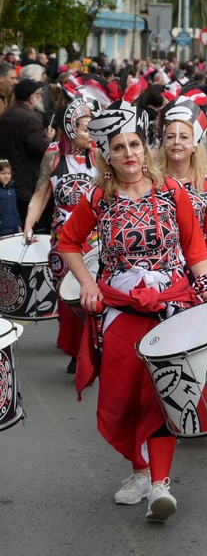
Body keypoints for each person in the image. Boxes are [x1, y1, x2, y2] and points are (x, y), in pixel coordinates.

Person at [57, 82, 207, 523]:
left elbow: (195, 246)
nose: (129, 154)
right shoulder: (97, 199)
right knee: (123, 399)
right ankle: (141, 471)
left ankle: (161, 485)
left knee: (163, 394)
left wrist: (204, 285)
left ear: (145, 147)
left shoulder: (172, 192)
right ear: (106, 155)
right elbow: (68, 243)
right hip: (120, 313)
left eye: (134, 144)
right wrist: (87, 283)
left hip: (169, 307)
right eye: (119, 147)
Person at [23, 76, 104, 371]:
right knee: (69, 296)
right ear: (71, 126)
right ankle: (76, 351)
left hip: (97, 237)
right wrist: (29, 225)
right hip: (64, 237)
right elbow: (40, 194)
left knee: (96, 292)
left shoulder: (101, 155)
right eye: (87, 127)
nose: (92, 133)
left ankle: (93, 347)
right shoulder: (54, 155)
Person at [157, 93, 207, 283]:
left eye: (184, 137)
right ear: (163, 142)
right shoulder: (151, 183)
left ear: (194, 144)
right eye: (170, 136)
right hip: (160, 275)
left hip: (199, 274)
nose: (176, 142)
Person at [0, 78, 52, 222]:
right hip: (25, 179)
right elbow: (41, 148)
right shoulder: (29, 118)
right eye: (37, 94)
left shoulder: (7, 113)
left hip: (10, 175)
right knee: (25, 222)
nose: (40, 97)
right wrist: (48, 139)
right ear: (30, 98)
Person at [0, 160, 18, 235]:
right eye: (3, 173)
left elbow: (15, 210)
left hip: (13, 229)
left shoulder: (12, 190)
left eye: (8, 173)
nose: (6, 176)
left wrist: (18, 225)